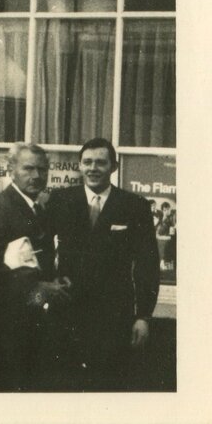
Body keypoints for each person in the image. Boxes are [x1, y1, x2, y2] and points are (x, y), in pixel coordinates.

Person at [45, 137, 159, 391]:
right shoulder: (60, 200)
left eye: (100, 162)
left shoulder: (135, 206)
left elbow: (147, 264)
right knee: (64, 387)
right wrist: (47, 284)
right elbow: (42, 247)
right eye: (87, 162)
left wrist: (143, 316)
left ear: (113, 167)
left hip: (113, 317)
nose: (93, 168)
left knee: (106, 387)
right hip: (66, 311)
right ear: (79, 166)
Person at [0, 143, 70, 391]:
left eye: (42, 170)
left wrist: (54, 279)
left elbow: (33, 259)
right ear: (11, 170)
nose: (36, 176)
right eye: (28, 169)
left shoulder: (36, 207)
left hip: (24, 325)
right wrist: (37, 286)